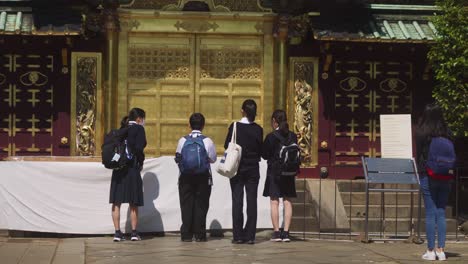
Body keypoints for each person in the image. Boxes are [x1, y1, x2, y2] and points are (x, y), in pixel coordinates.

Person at [224, 99, 263, 244]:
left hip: (237, 168)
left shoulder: (234, 126)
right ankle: (250, 235)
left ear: (242, 111)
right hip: (253, 168)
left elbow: (226, 144)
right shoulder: (258, 129)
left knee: (237, 200)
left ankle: (238, 235)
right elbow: (260, 149)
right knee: (252, 201)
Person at [416, 104, 452, 261]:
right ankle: (441, 250)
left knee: (430, 213)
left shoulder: (422, 132)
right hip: (445, 176)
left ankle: (430, 251)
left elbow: (419, 156)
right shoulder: (447, 132)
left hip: (428, 174)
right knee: (441, 212)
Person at [175, 113, 217, 242]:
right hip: (203, 177)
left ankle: (186, 234)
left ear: (189, 124)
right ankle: (199, 234)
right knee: (201, 204)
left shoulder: (182, 140)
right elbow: (213, 159)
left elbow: (178, 157)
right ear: (203, 125)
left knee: (186, 205)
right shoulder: (207, 141)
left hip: (185, 177)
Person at [109, 108, 147, 242]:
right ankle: (134, 233)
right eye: (143, 119)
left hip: (118, 169)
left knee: (116, 202)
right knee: (133, 202)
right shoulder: (139, 129)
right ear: (139, 119)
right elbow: (139, 148)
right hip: (132, 168)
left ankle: (117, 233)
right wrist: (140, 160)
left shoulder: (120, 129)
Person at [262, 110, 298, 242]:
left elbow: (264, 154)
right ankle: (287, 233)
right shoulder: (293, 136)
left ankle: (277, 233)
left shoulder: (271, 136)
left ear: (274, 121)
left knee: (274, 201)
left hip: (274, 173)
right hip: (289, 173)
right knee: (287, 201)